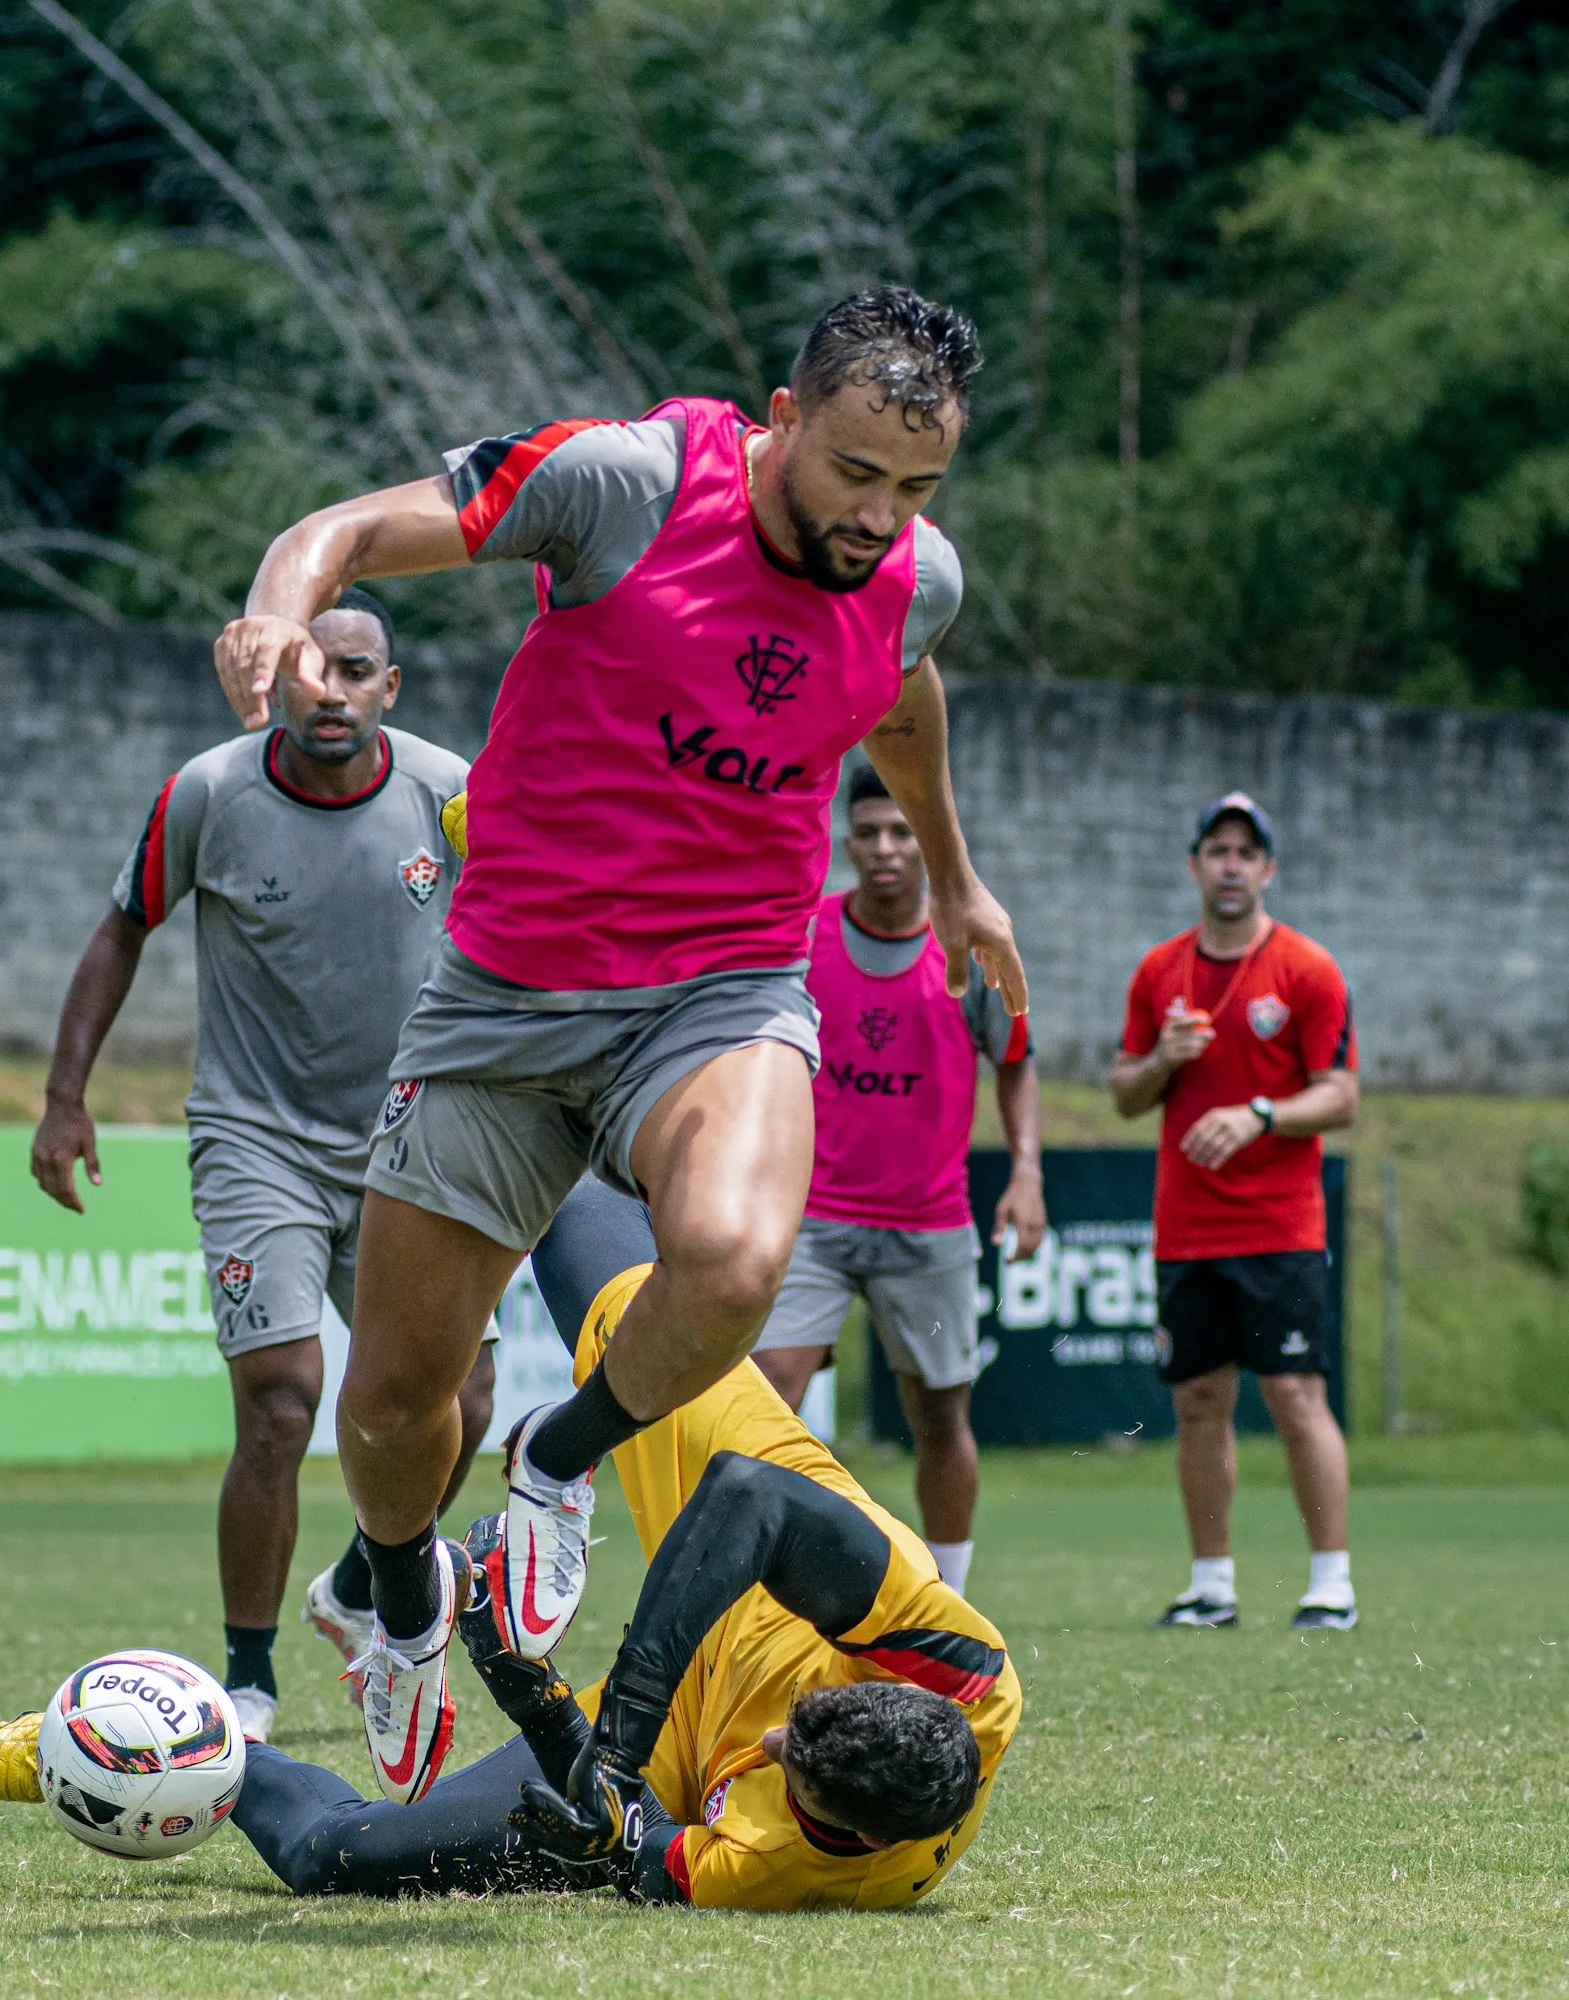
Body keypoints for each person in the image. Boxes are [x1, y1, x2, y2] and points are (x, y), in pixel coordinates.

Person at [208, 286, 1029, 1801]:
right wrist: (280, 599)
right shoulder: (630, 484)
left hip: (719, 990)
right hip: (505, 998)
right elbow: (356, 528)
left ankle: (558, 1460)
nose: (879, 517)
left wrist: (958, 875)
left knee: (729, 1259)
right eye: (855, 472)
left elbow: (899, 694)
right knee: (392, 1407)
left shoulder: (915, 578)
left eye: (915, 489)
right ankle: (391, 1598)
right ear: (783, 420)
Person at [0, 1181, 1019, 1909]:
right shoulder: (966, 1673)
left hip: (675, 1739)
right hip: (773, 1564)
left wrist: (539, 1697)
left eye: (790, 1766)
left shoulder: (776, 1867)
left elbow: (609, 1829)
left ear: (858, 1837)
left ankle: (152, 1745)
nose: (780, 1740)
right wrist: (622, 1729)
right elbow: (750, 1502)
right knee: (655, 1314)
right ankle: (534, 1081)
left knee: (344, 1858)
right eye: (808, 1719)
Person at [29, 587, 495, 1743]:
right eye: (308, 667)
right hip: (258, 1139)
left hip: (411, 1138)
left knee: (465, 1400)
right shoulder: (210, 791)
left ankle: (351, 1585)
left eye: (355, 671)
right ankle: (246, 1676)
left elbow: (528, 925)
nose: (328, 691)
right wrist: (64, 1095)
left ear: (392, 686)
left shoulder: (450, 791)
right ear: (272, 676)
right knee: (284, 1403)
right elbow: (122, 923)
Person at [750, 765, 1046, 1598]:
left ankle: (949, 1597)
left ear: (928, 840)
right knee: (769, 1399)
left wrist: (1026, 1173)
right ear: (847, 841)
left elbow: (1016, 1066)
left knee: (942, 1417)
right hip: (808, 1217)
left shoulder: (972, 943)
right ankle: (761, 1593)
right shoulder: (801, 936)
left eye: (902, 832)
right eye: (869, 833)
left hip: (930, 1225)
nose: (884, 849)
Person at [1108, 793, 1360, 1631]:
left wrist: (1258, 1113)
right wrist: (1162, 1061)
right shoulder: (1159, 973)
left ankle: (1331, 1584)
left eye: (1246, 853)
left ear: (1268, 871)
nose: (1230, 865)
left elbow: (1341, 1096)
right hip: (1188, 1229)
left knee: (1294, 1392)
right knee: (1197, 1402)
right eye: (1217, 850)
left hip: (1280, 1227)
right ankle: (1210, 1586)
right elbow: (1122, 1094)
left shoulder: (1308, 970)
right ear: (1194, 866)